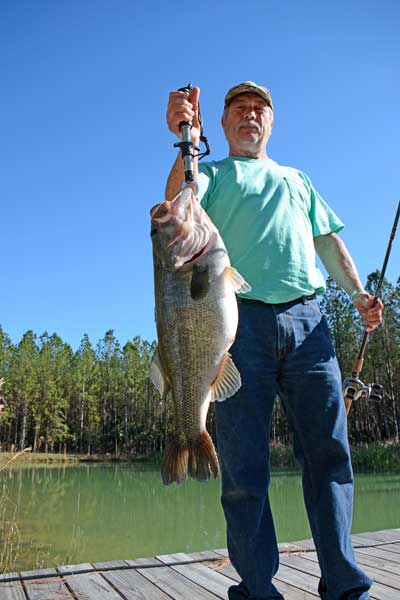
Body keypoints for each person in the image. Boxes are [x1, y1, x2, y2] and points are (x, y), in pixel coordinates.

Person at [165, 81, 383, 600]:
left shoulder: (297, 178)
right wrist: (183, 137)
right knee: (243, 468)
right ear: (223, 124)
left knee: (330, 456)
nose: (249, 116)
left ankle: (346, 587)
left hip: (310, 322)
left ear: (271, 122)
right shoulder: (211, 173)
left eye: (259, 109)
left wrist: (357, 293)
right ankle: (258, 590)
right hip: (238, 327)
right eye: (238, 109)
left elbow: (328, 241)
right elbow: (175, 206)